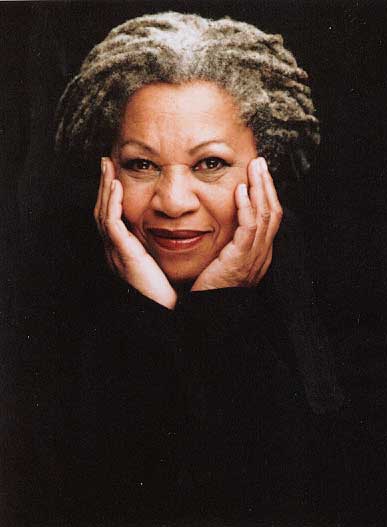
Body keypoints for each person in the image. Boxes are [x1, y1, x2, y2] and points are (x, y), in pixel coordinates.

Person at [45, 11, 344, 525]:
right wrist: (150, 319)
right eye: (142, 164)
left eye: (210, 164)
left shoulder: (348, 306)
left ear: (266, 168)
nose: (174, 201)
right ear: (107, 171)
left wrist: (220, 312)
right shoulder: (47, 313)